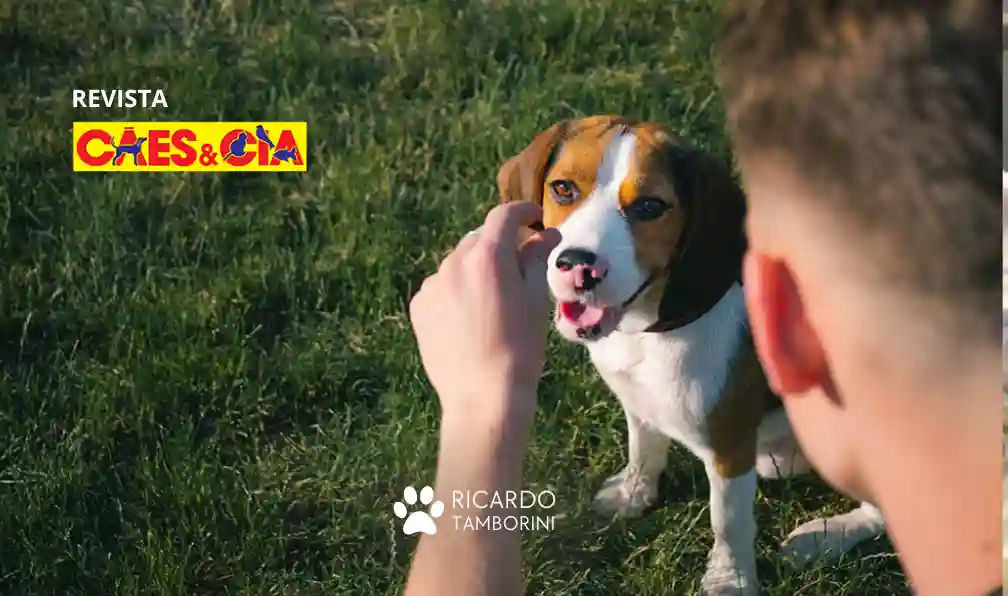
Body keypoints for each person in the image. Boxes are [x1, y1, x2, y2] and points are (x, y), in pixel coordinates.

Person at [404, 1, 1002, 595]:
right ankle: (644, 476)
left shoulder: (711, 338)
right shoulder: (614, 304)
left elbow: (733, 453)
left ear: (698, 228)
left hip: (793, 428)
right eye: (565, 191)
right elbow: (637, 397)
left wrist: (731, 563)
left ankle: (817, 533)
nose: (586, 248)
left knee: (764, 451)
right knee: (639, 393)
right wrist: (639, 475)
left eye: (647, 207)